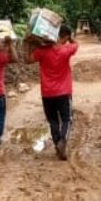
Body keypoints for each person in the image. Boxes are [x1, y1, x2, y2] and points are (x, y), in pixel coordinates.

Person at [30, 25, 78, 160]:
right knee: (67, 120)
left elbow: (28, 59)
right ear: (66, 37)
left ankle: (57, 143)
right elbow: (76, 44)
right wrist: (70, 38)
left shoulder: (42, 51)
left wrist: (31, 43)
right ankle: (62, 141)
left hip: (47, 93)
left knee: (53, 121)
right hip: (64, 92)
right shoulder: (67, 49)